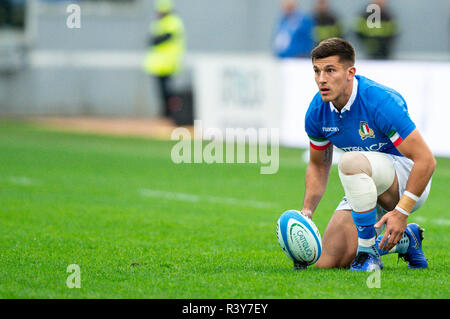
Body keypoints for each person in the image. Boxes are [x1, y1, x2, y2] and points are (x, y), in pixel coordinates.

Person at [299, 38, 435, 271]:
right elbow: (318, 165)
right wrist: (307, 212)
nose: (322, 79)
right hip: (362, 181)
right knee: (328, 262)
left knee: (350, 161)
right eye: (317, 71)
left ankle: (368, 253)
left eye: (330, 70)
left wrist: (402, 212)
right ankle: (405, 241)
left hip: (407, 180)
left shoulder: (379, 101)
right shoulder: (316, 113)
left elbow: (426, 160)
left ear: (350, 72)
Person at [143, 0, 185, 118]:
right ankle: (166, 113)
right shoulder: (159, 23)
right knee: (161, 92)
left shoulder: (173, 22)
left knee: (168, 92)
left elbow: (164, 38)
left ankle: (172, 114)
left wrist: (155, 40)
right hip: (158, 65)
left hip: (168, 63)